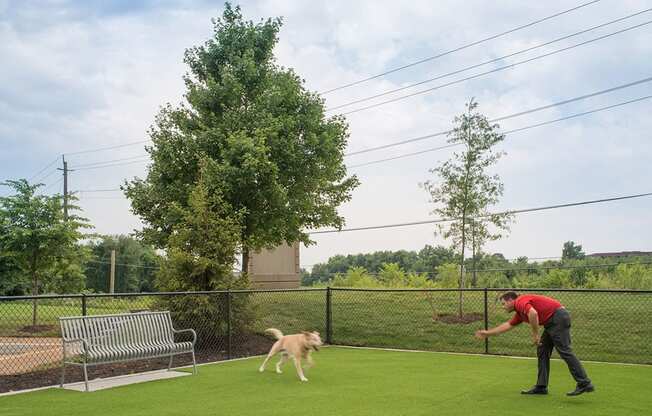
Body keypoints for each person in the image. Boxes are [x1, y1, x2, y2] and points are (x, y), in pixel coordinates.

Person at [475, 291, 594, 396]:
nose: (503, 307)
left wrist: (535, 334)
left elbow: (533, 314)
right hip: (553, 321)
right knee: (542, 350)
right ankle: (541, 387)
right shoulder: (520, 312)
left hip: (557, 318)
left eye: (503, 303)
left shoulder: (520, 302)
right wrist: (488, 333)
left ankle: (584, 382)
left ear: (511, 300)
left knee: (565, 351)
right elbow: (508, 325)